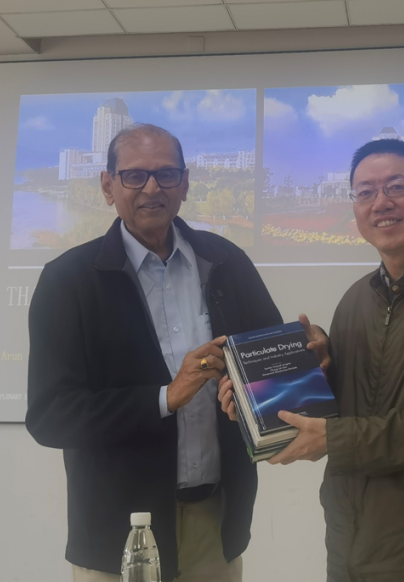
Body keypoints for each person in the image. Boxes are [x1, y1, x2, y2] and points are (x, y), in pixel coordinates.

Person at [220, 139, 404, 582]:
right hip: (350, 540)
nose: (381, 202)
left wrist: (334, 439)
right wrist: (258, 405)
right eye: (365, 192)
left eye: (397, 186)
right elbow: (350, 411)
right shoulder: (355, 300)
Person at [27, 124, 282, 582]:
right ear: (108, 186)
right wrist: (165, 397)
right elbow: (50, 416)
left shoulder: (227, 263)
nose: (152, 188)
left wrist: (310, 355)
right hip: (119, 533)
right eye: (134, 176)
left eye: (166, 174)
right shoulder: (68, 280)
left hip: (216, 524)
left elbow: (272, 369)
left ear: (185, 184)